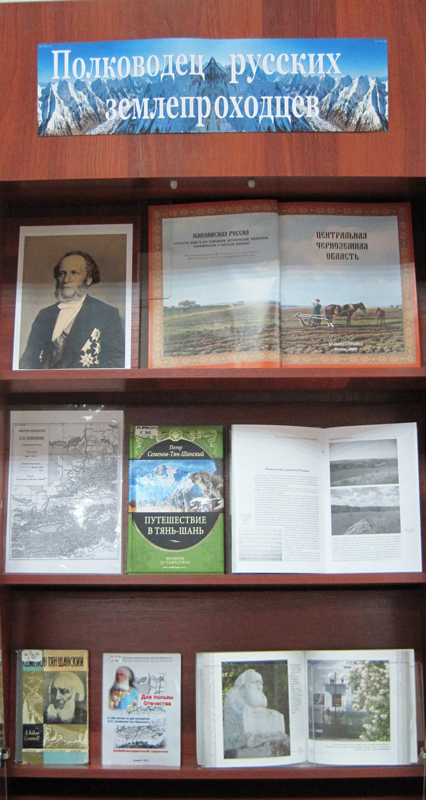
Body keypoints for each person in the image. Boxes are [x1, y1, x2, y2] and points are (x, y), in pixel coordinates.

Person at [19, 250, 125, 369]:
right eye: (62, 273)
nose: (66, 280)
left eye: (74, 273)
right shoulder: (45, 314)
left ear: (88, 279)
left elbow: (116, 363)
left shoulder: (106, 313)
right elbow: (27, 361)